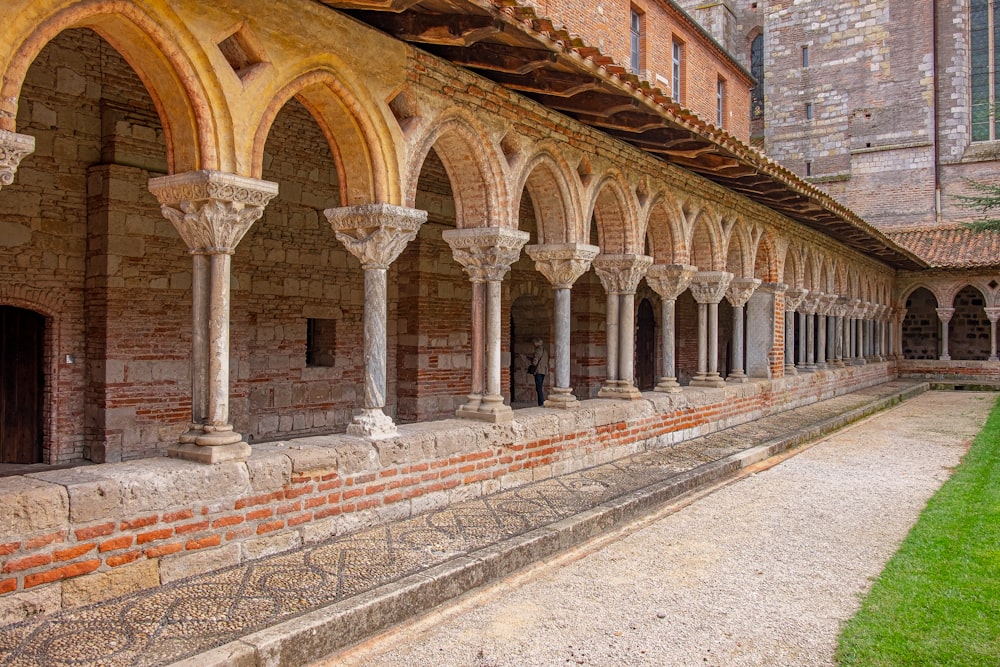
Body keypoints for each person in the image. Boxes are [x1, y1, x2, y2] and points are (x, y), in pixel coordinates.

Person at [529, 338, 549, 406]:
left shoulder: (537, 351)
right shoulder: (545, 351)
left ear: (537, 343)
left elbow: (535, 362)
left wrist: (530, 360)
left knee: (538, 388)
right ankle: (541, 402)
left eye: (534, 343)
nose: (533, 344)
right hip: (544, 371)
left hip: (538, 370)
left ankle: (541, 402)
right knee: (540, 386)